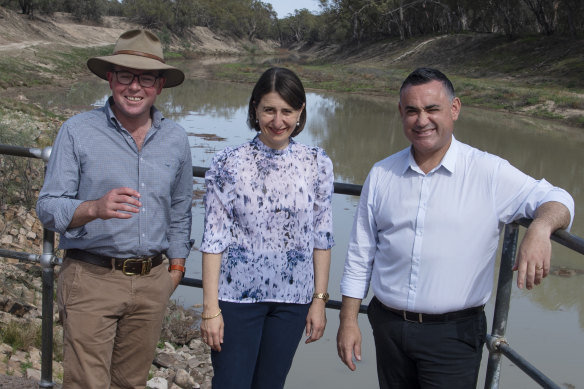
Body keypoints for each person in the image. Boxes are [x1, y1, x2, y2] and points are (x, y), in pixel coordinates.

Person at [336, 67, 574, 388]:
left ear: (454, 109)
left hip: (453, 336)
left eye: (432, 109)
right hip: (388, 325)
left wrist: (540, 228)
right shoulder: (382, 174)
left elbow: (557, 198)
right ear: (401, 113)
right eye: (412, 111)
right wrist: (348, 320)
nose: (422, 120)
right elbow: (360, 254)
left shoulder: (488, 173)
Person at [36, 29, 193, 389]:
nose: (134, 87)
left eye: (146, 78)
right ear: (110, 78)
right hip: (92, 279)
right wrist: (93, 208)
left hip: (153, 280)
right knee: (86, 384)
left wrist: (177, 268)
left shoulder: (176, 139)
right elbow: (47, 207)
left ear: (160, 85)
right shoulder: (77, 131)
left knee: (132, 383)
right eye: (125, 75)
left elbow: (182, 208)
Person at [199, 67, 335, 389]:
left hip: (293, 302)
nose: (278, 121)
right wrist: (210, 309)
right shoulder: (228, 162)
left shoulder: (317, 162)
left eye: (287, 111)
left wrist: (319, 300)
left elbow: (323, 235)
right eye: (269, 110)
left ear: (300, 111)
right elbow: (213, 238)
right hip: (236, 300)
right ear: (255, 109)